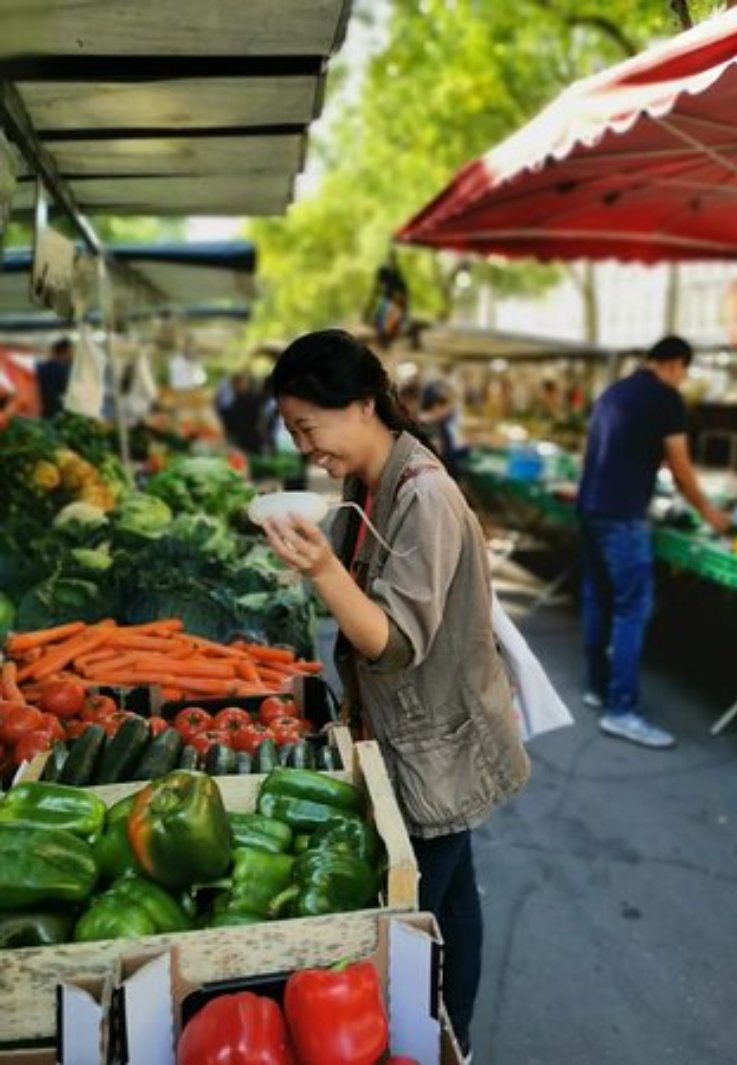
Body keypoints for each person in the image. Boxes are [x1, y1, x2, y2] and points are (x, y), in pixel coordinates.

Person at [259, 329, 530, 1062]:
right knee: (454, 892)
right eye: (294, 432)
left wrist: (323, 572)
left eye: (309, 427)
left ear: (361, 404)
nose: (305, 447)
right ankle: (457, 1037)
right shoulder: (367, 483)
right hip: (406, 731)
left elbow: (395, 640)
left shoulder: (427, 495)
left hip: (434, 740)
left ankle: (429, 1037)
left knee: (405, 913)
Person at [577, 335, 731, 749]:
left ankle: (598, 686)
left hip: (590, 506)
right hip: (624, 514)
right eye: (684, 372)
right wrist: (712, 515)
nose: (682, 379)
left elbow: (593, 450)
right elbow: (679, 467)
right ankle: (621, 710)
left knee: (598, 597)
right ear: (676, 364)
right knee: (632, 608)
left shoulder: (614, 392)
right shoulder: (666, 398)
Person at [36, 336, 73, 418]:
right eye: (72, 351)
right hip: (56, 411)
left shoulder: (41, 367)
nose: (73, 354)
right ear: (67, 351)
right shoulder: (64, 370)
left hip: (41, 410)